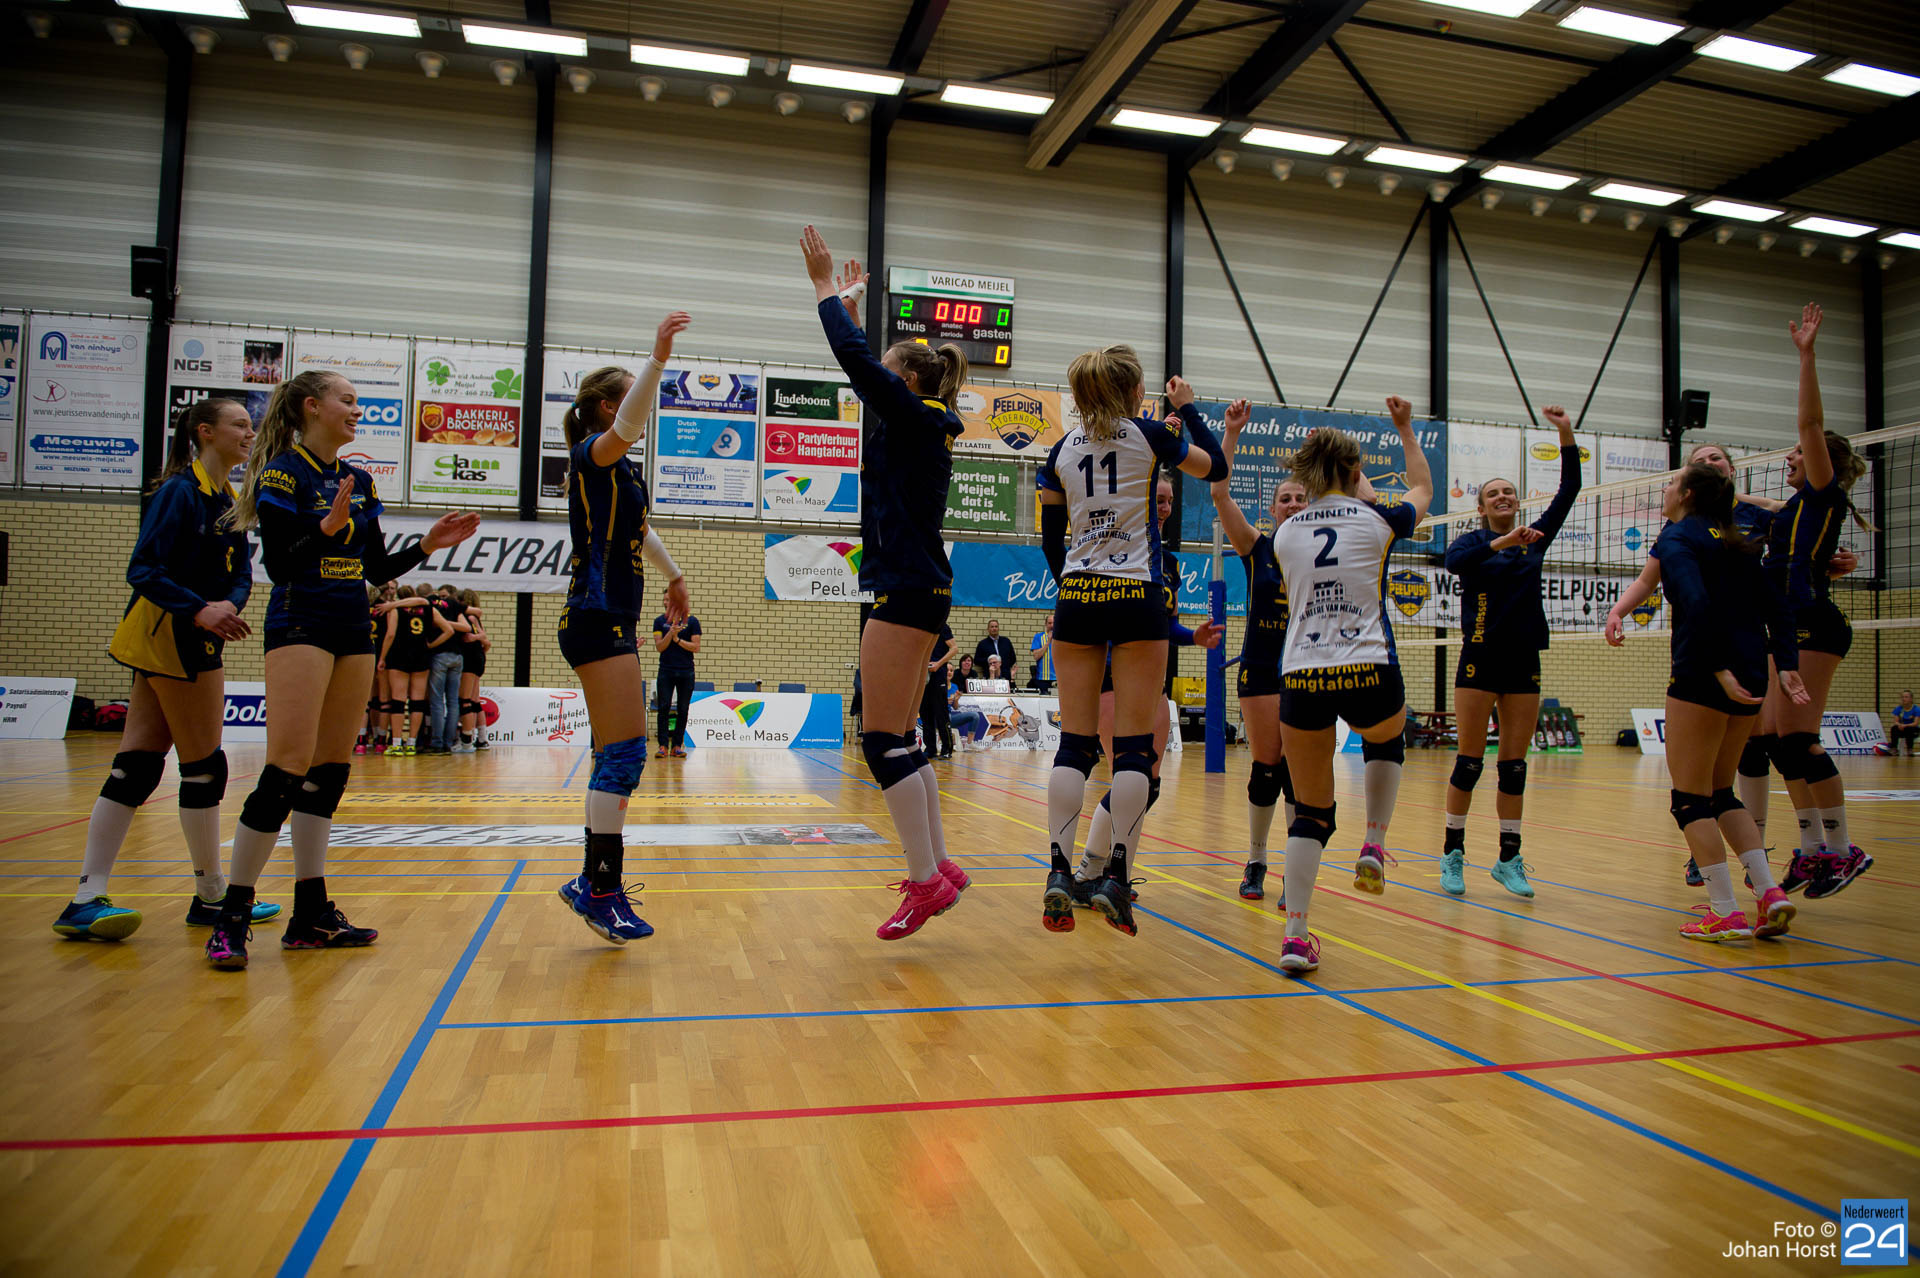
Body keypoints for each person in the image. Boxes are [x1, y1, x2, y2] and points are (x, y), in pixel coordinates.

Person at [205, 370, 479, 969]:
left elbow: (376, 567)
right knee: (285, 769)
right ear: (312, 406)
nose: (358, 410)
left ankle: (310, 913)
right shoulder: (283, 473)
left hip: (354, 627)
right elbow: (280, 565)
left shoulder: (360, 480)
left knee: (329, 772)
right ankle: (232, 915)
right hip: (301, 622)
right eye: (348, 400)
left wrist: (428, 545)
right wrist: (324, 529)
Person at [54, 399, 278, 940]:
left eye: (251, 426)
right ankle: (211, 895)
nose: (250, 433)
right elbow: (143, 569)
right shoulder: (180, 491)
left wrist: (228, 604)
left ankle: (86, 897)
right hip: (169, 634)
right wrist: (200, 609)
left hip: (189, 633)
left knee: (137, 764)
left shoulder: (227, 498)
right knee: (203, 767)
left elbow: (242, 575)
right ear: (205, 432)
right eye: (239, 425)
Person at [801, 224, 970, 938]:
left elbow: (856, 363)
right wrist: (852, 302)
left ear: (907, 380)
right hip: (917, 584)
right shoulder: (913, 419)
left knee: (880, 742)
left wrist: (823, 290)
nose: (878, 378)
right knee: (902, 735)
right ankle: (939, 866)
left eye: (889, 370)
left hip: (906, 585)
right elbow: (873, 367)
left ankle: (925, 881)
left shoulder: (915, 414)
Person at [1037, 351, 1228, 938]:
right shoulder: (1150, 434)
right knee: (1134, 752)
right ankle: (1116, 876)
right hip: (1137, 594)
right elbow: (1216, 466)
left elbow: (1050, 542)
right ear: (1133, 391)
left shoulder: (1060, 450)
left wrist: (1074, 586)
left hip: (1077, 594)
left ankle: (1059, 871)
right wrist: (1187, 409)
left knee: (1073, 746)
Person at [1606, 438, 1854, 885]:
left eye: (1715, 458)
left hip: (1719, 656)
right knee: (1748, 762)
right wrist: (1618, 610)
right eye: (1699, 461)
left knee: (1701, 791)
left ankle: (1790, 858)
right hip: (1751, 656)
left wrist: (1828, 562)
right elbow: (1652, 579)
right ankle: (1763, 863)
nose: (1708, 464)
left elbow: (1798, 547)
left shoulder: (1735, 525)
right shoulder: (1699, 531)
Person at [1269, 396, 1432, 974]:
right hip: (1368, 666)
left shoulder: (1284, 534)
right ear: (1356, 470)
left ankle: (1295, 935)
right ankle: (1375, 841)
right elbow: (1422, 488)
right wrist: (1405, 429)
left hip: (1302, 674)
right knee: (1386, 741)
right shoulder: (1379, 520)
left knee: (1310, 811)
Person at [555, 312, 693, 945]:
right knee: (627, 753)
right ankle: (602, 890)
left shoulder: (623, 473)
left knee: (615, 753)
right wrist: (657, 359)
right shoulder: (592, 454)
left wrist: (674, 575)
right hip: (595, 617)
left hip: (606, 620)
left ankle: (592, 881)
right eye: (634, 397)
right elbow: (628, 426)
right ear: (609, 407)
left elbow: (642, 531)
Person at [1651, 460, 1806, 940]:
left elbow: (1695, 602)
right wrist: (1788, 665)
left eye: (1672, 483)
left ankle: (1724, 910)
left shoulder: (1678, 539)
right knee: (1721, 792)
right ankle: (1769, 892)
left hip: (1705, 672)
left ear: (1688, 495)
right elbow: (1778, 607)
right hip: (1754, 672)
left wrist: (1716, 667)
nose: (1666, 488)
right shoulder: (1739, 541)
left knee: (1689, 799)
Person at [1438, 404, 1582, 900]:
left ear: (1517, 503)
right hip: (1479, 658)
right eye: (1492, 494)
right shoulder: (1474, 542)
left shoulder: (1534, 540)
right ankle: (1453, 853)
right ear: (1481, 507)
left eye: (1508, 492)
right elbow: (1454, 562)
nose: (1502, 497)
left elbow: (1570, 490)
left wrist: (1565, 433)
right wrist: (1503, 543)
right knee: (1469, 762)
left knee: (1514, 766)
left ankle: (1508, 858)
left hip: (1523, 659)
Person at [1759, 304, 1875, 900]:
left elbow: (1810, 421)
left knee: (1800, 740)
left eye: (1798, 453)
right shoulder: (1797, 508)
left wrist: (1806, 356)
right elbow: (1770, 518)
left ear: (1820, 457)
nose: (1790, 458)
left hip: (1814, 623)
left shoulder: (1823, 491)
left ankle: (1843, 847)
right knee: (1775, 739)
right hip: (1786, 623)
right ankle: (1810, 851)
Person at [1066, 470, 1222, 901]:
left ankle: (1115, 876)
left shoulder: (1167, 563)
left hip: (1153, 679)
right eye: (1157, 498)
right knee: (1127, 776)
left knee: (1146, 785)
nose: (1164, 507)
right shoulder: (1109, 547)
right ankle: (1089, 871)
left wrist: (1194, 637)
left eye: (1169, 500)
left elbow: (1164, 625)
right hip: (1111, 675)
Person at [1209, 399, 1308, 901]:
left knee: (1299, 773)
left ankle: (1296, 871)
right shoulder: (1257, 547)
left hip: (1309, 668)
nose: (1292, 504)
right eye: (1285, 499)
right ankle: (1256, 860)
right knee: (1267, 767)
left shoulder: (1324, 549)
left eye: (1300, 498)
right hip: (1263, 667)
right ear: (1273, 509)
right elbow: (1219, 492)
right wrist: (1231, 433)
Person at [652, 593, 701, 758]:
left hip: (686, 671)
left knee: (683, 708)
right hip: (666, 671)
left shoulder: (692, 622)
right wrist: (670, 634)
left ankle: (677, 745)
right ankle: (663, 745)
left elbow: (695, 647)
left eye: (669, 599)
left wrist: (677, 639)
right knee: (664, 707)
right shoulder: (659, 621)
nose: (666, 602)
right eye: (664, 600)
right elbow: (660, 647)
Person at [425, 583, 470, 754]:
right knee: (452, 701)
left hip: (441, 655)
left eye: (443, 595)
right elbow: (466, 626)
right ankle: (449, 742)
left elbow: (460, 628)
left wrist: (442, 623)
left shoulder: (434, 606)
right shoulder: (455, 606)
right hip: (457, 656)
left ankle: (437, 742)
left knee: (437, 701)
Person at [455, 589, 489, 751]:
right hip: (478, 657)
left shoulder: (467, 617)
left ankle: (467, 740)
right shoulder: (475, 617)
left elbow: (484, 638)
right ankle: (482, 739)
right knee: (475, 701)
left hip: (469, 658)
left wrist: (473, 638)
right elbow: (486, 642)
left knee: (465, 700)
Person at [922, 624, 956, 758]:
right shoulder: (921, 625)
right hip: (923, 674)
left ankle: (947, 748)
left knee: (941, 713)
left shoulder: (942, 627)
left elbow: (954, 648)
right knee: (925, 713)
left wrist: (938, 663)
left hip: (938, 675)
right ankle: (930, 748)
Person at [975, 620, 1016, 689]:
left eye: (996, 627)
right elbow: (976, 660)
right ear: (988, 629)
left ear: (998, 628)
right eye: (992, 627)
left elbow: (1013, 658)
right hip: (989, 675)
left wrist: (1003, 666)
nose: (994, 628)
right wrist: (991, 662)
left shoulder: (1006, 641)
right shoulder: (982, 644)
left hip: (1005, 676)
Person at [1030, 616, 1056, 692]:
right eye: (1049, 623)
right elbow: (1036, 656)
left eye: (1054, 623)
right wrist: (1048, 642)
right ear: (1046, 624)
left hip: (1058, 678)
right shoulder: (1038, 637)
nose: (1052, 625)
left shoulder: (1061, 638)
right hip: (1042, 678)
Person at [1891, 689, 1919, 756]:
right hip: (1902, 728)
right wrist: (1900, 725)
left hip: (1913, 729)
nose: (1904, 699)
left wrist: (1905, 725)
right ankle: (1894, 749)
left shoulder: (1916, 709)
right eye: (1902, 697)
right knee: (1894, 728)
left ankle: (1910, 749)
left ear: (1911, 699)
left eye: (1906, 697)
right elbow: (1896, 721)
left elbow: (1915, 723)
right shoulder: (1899, 708)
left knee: (1909, 729)